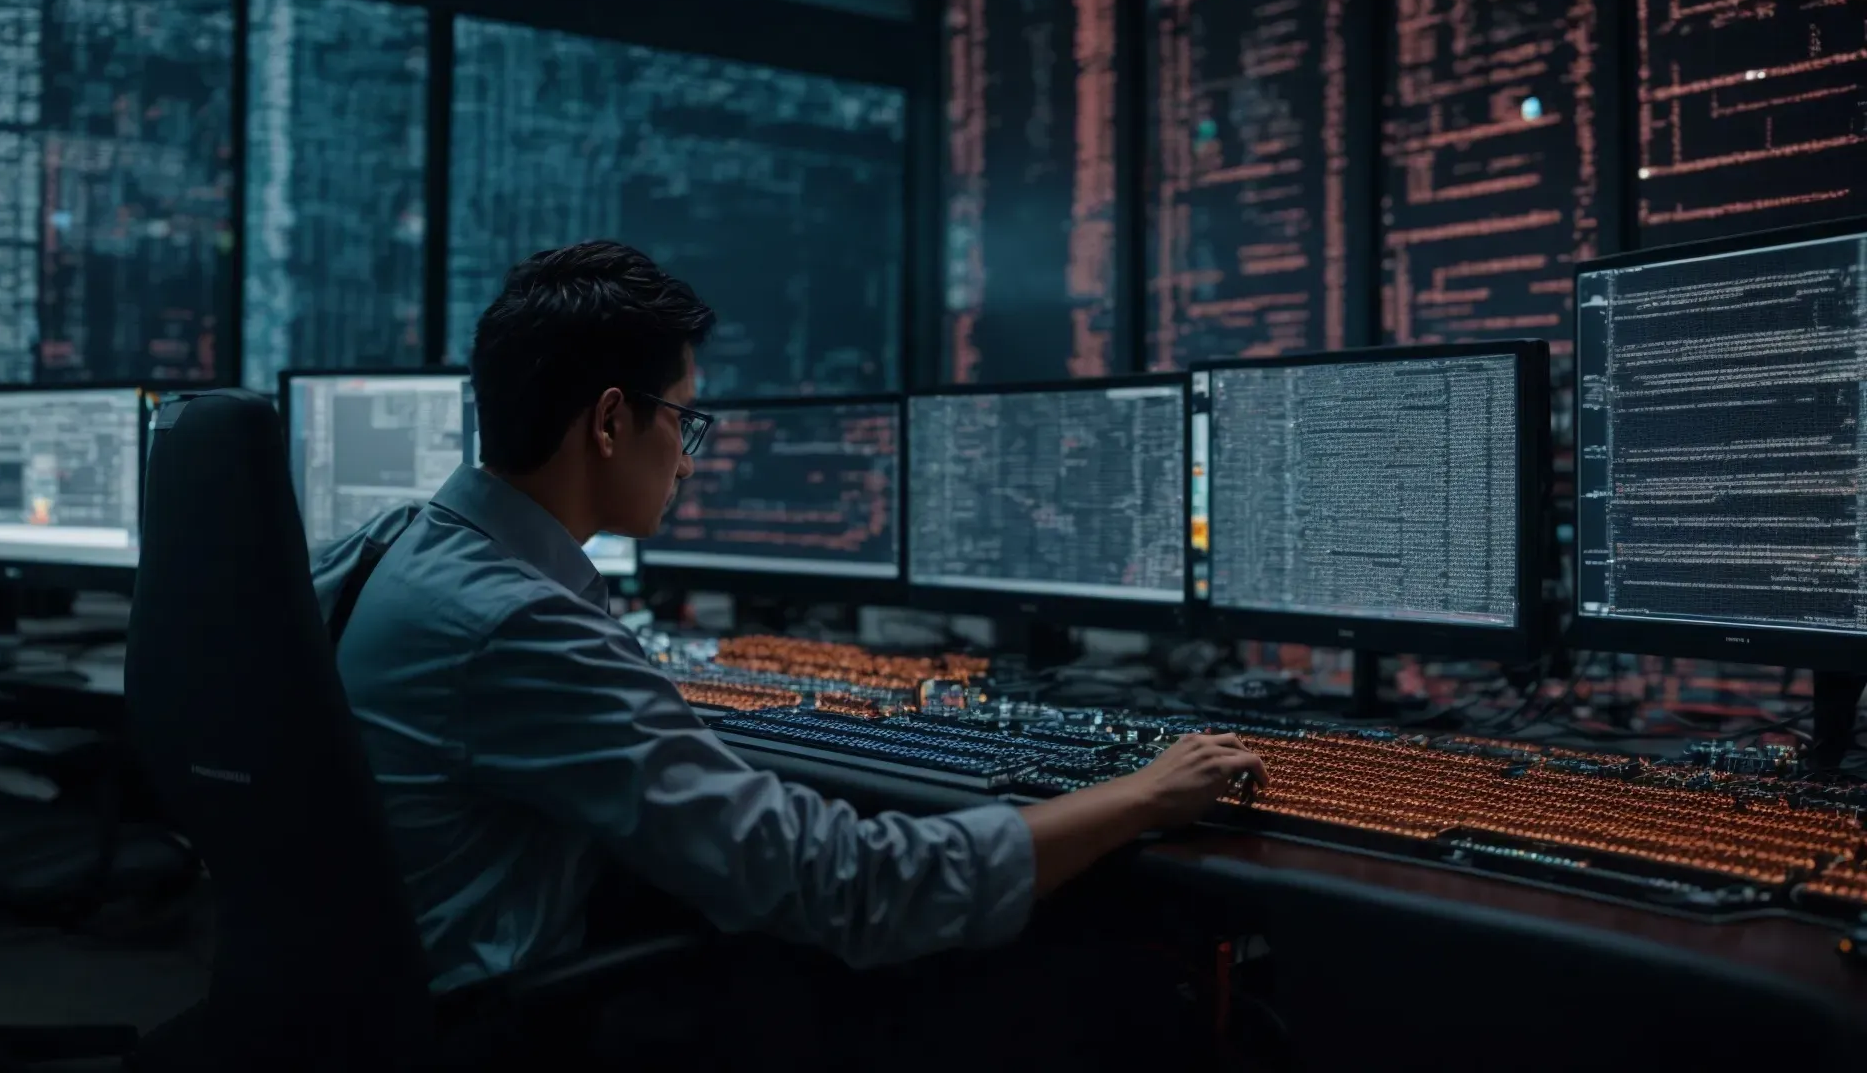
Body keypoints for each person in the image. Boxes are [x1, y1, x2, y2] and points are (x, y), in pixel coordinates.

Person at [324, 240, 1267, 1065]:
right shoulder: (520, 625)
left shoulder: (399, 548)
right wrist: (1139, 794)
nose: (687, 460)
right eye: (684, 420)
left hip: (384, 1002)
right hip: (500, 1030)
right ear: (610, 423)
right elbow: (847, 883)